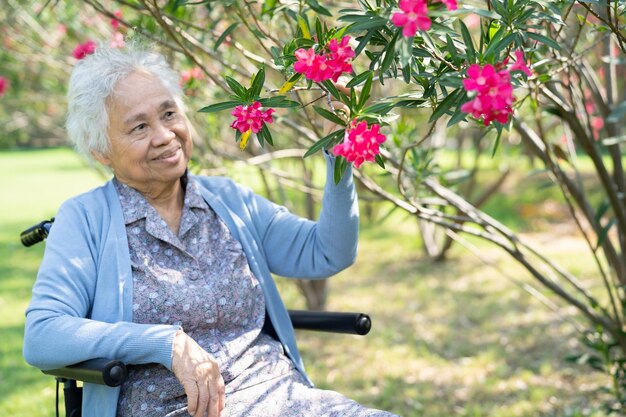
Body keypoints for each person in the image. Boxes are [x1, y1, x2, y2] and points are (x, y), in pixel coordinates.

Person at [23, 43, 399, 417]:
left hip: (283, 396)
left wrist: (339, 156)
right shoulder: (85, 218)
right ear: (102, 151)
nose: (165, 135)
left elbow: (328, 251)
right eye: (139, 127)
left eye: (169, 114)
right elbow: (43, 335)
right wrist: (164, 342)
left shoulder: (229, 200)